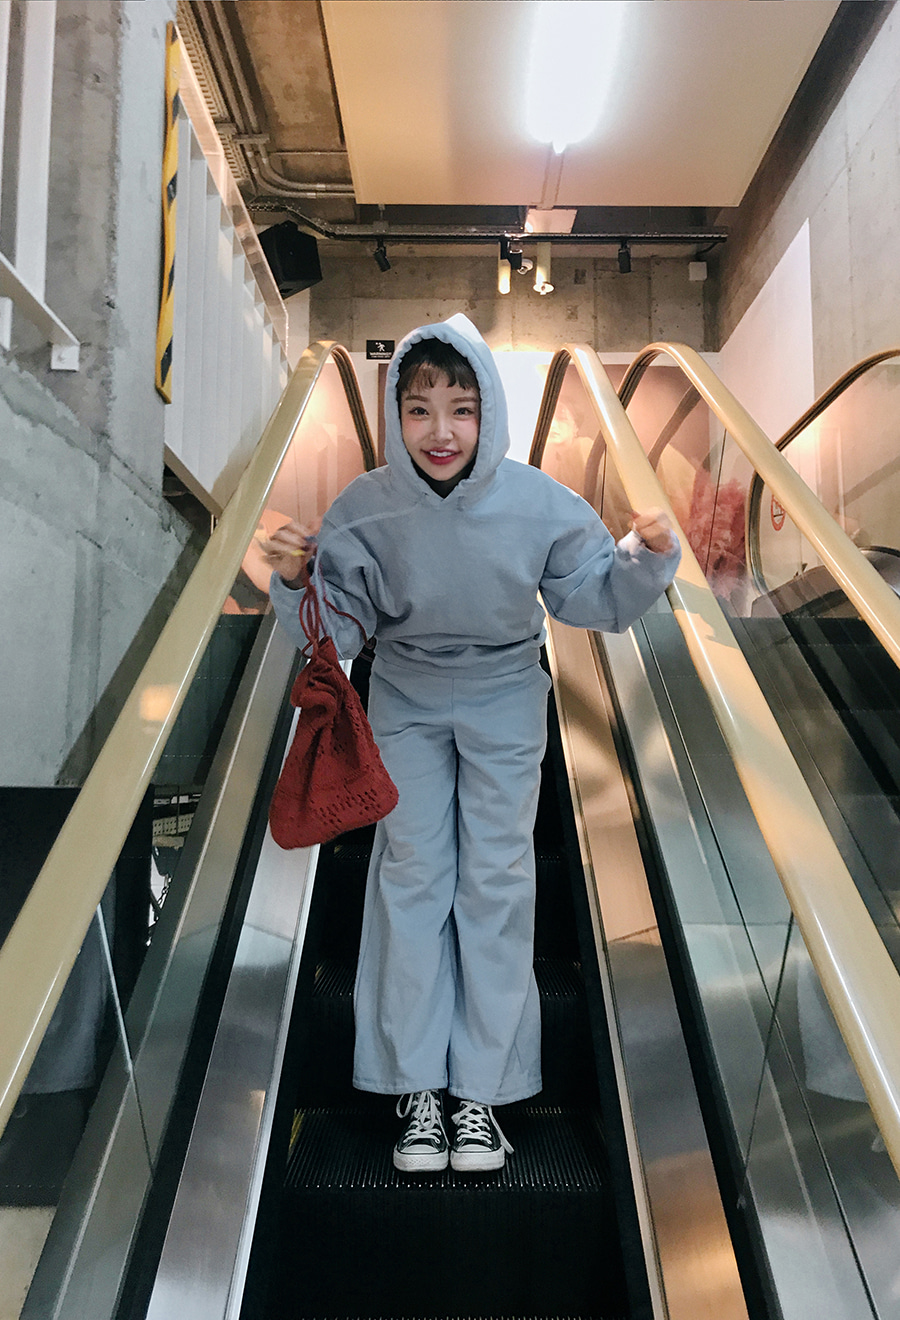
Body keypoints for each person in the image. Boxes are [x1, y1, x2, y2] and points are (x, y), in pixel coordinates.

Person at [262, 314, 680, 1175]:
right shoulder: (366, 506)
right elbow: (339, 628)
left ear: (490, 409)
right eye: (419, 410)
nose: (441, 431)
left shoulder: (539, 501)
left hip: (506, 694)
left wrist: (644, 556)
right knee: (412, 876)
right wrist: (296, 579)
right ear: (395, 414)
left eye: (462, 408)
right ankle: (416, 1087)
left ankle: (482, 1095)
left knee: (496, 879)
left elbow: (591, 596)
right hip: (404, 692)